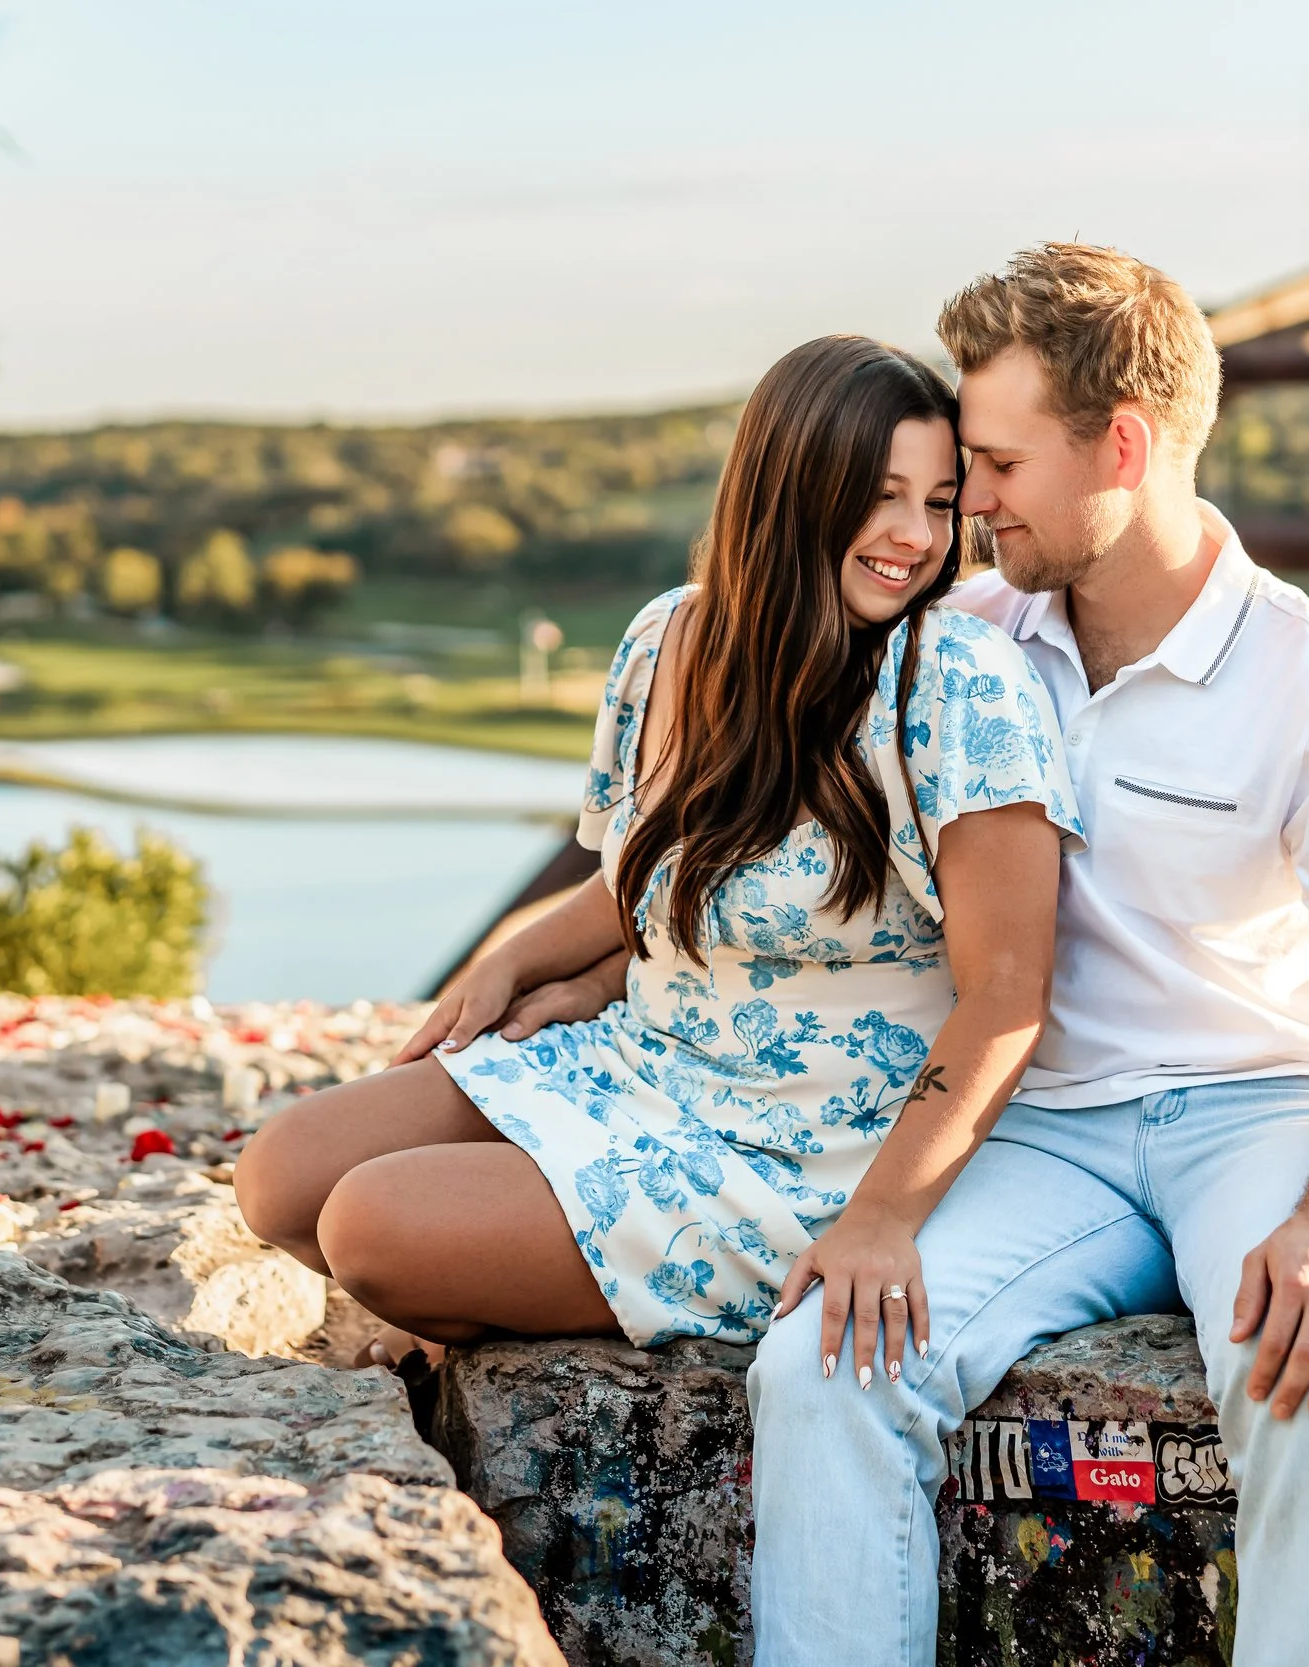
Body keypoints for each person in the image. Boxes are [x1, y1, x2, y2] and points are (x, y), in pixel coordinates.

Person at [741, 245, 1309, 1666]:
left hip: (1260, 1113)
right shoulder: (966, 637)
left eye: (998, 463)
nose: (972, 501)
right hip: (1044, 1130)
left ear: (1121, 444)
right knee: (822, 1362)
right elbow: (763, 829)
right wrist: (566, 953)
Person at [232, 333, 1082, 1367]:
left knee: (371, 1223)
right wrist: (518, 962)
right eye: (880, 494)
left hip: (802, 1155)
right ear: (791, 488)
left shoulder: (956, 679)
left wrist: (884, 1216)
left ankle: (566, 1289)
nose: (913, 535)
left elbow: (1006, 990)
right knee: (281, 1177)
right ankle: (538, 1271)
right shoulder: (669, 639)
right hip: (647, 1063)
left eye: (939, 501)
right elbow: (648, 875)